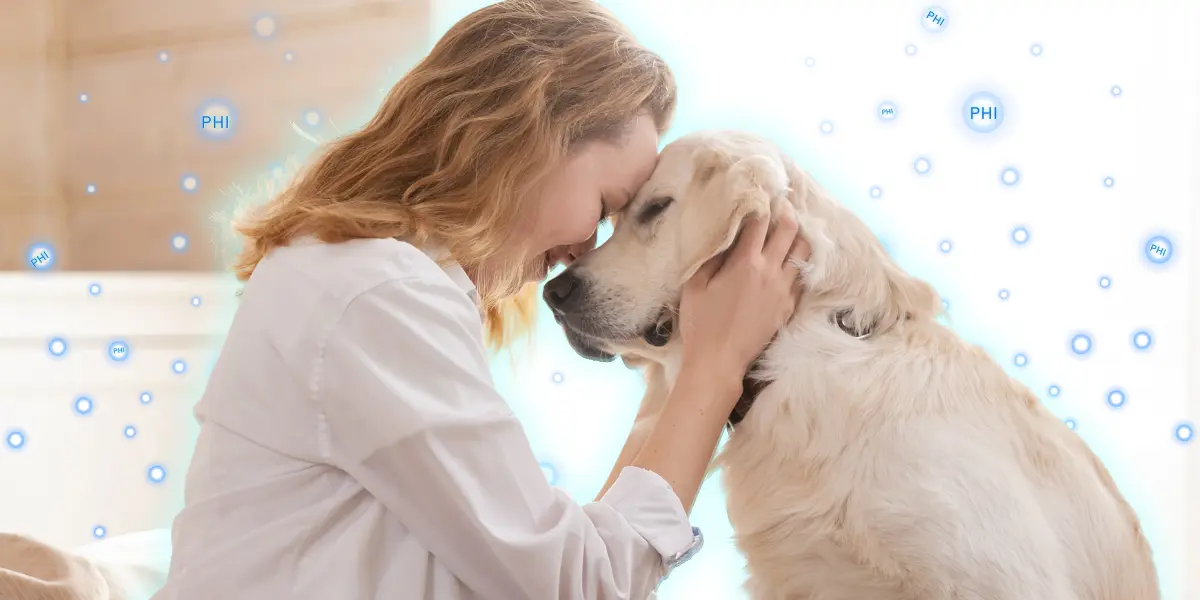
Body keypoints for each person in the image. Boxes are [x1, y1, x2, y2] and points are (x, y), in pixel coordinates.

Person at [154, 1, 806, 599]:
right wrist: (714, 370)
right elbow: (576, 585)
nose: (586, 249)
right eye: (604, 207)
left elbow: (559, 559)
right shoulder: (378, 295)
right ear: (529, 134)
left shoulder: (358, 274)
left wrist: (678, 372)